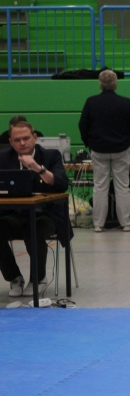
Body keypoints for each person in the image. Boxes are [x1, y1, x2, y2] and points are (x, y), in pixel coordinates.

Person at [0, 120, 70, 297]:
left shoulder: (51, 156)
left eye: (26, 138)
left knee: (34, 230)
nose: (22, 143)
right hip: (14, 214)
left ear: (35, 137)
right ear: (11, 142)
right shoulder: (3, 158)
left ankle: (38, 279)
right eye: (17, 140)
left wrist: (37, 168)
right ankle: (14, 277)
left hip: (45, 215)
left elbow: (61, 184)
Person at [78, 69, 130, 232]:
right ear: (116, 84)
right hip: (121, 148)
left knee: (100, 187)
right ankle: (126, 223)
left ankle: (98, 224)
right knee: (123, 187)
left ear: (100, 84)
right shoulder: (125, 102)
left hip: (98, 148)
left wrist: (88, 143)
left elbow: (82, 125)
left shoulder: (91, 102)